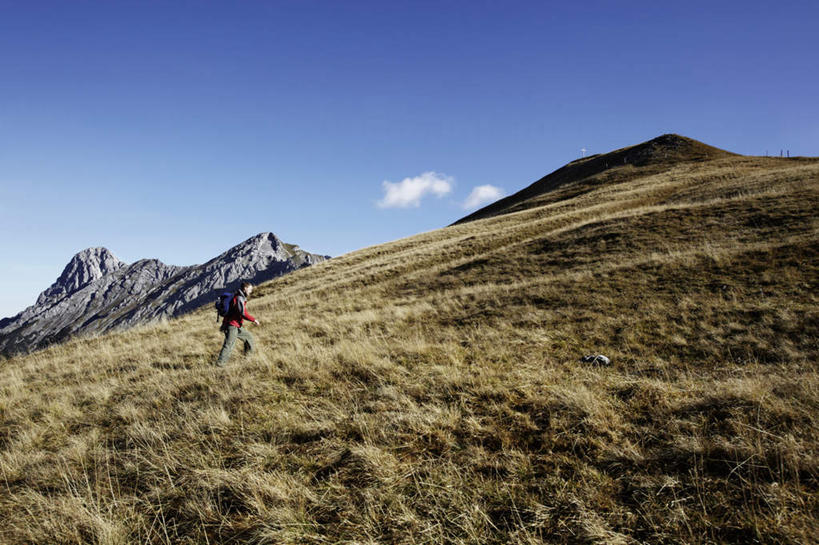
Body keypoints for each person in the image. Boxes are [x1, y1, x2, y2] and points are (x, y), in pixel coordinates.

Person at [214, 281, 260, 366]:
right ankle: (220, 364)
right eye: (250, 289)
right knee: (229, 344)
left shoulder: (239, 296)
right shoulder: (239, 298)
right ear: (245, 289)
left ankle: (248, 358)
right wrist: (254, 320)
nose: (251, 291)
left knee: (249, 337)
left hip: (235, 324)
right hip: (231, 325)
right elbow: (243, 313)